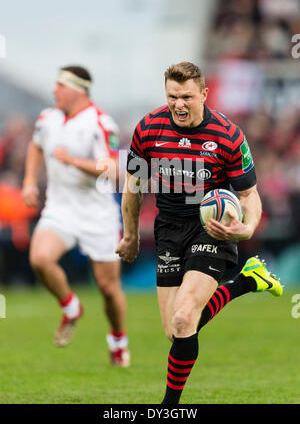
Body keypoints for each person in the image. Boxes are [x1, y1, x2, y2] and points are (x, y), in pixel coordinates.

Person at [115, 61, 283, 401]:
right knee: (174, 330)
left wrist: (246, 227)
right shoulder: (147, 129)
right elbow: (133, 186)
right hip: (168, 228)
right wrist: (131, 236)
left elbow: (250, 195)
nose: (179, 104)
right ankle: (247, 282)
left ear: (204, 94)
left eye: (187, 97)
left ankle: (169, 407)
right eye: (172, 96)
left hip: (212, 229)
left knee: (183, 318)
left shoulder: (228, 135)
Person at [22, 65, 130, 367]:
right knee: (40, 259)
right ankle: (71, 307)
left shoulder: (100, 122)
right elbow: (35, 146)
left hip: (97, 215)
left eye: (60, 85)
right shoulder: (47, 118)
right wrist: (30, 181)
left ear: (77, 90)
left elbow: (113, 170)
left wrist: (73, 161)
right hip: (60, 209)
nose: (54, 90)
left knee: (108, 289)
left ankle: (118, 340)